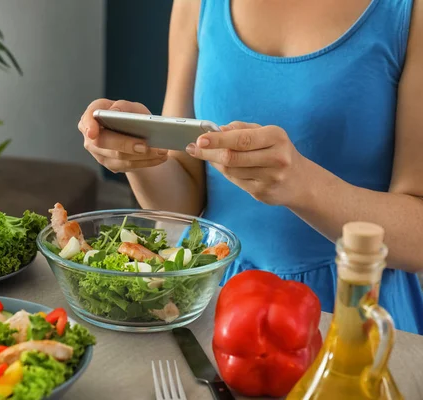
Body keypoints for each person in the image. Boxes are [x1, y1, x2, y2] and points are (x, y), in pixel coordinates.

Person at [78, 0, 423, 334]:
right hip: (215, 300)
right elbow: (182, 205)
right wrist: (139, 154)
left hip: (354, 311)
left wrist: (304, 186)